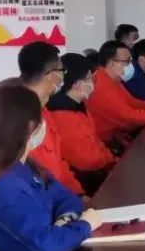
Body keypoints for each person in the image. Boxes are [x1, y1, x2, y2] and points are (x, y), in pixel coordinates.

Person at [0, 86, 103, 251]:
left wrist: (63, 223)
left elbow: (66, 198)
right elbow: (44, 248)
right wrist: (83, 225)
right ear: (31, 126)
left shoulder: (24, 164)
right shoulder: (0, 185)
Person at [17, 41, 84, 195]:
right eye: (62, 70)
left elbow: (58, 163)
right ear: (51, 75)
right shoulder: (21, 116)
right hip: (41, 200)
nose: (64, 76)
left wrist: (78, 194)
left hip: (61, 195)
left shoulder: (44, 109)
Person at [47, 53, 119, 195]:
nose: (92, 83)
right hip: (85, 181)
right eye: (89, 78)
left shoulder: (79, 105)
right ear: (76, 83)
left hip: (99, 170)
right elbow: (85, 160)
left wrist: (113, 160)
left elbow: (95, 141)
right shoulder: (61, 113)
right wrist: (110, 163)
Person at [87, 40, 145, 149]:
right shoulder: (101, 85)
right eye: (126, 61)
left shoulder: (112, 79)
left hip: (118, 136)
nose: (130, 65)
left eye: (130, 60)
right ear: (112, 63)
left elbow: (134, 102)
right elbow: (129, 116)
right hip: (107, 144)